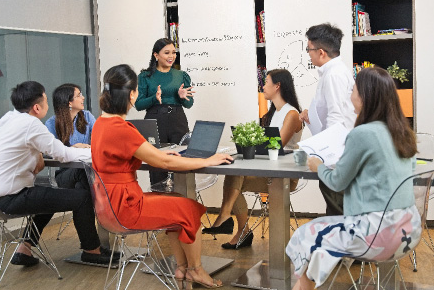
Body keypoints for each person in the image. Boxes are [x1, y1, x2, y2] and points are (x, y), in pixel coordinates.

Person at [92, 64, 233, 288]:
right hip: (127, 207)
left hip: (109, 206)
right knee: (189, 209)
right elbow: (164, 162)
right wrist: (207, 160)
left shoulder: (101, 124)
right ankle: (196, 270)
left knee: (176, 201)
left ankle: (181, 268)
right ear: (131, 94)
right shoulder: (121, 128)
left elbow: (144, 154)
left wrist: (160, 153)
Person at [286, 67, 420, 290]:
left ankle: (305, 285)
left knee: (303, 235)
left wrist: (318, 166)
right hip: (409, 230)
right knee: (323, 238)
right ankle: (307, 283)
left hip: (377, 235)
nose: (350, 95)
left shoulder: (362, 133)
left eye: (353, 89)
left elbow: (337, 181)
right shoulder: (402, 133)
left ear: (365, 96)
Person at [0, 81, 117, 266]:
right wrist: (98, 153)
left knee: (54, 195)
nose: (48, 104)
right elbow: (64, 154)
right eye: (45, 99)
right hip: (10, 198)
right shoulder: (32, 125)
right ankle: (92, 250)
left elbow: (38, 153)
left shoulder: (7, 119)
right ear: (37, 107)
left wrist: (37, 153)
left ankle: (25, 248)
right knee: (83, 196)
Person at [202, 69, 303, 249]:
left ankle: (229, 221)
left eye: (266, 83)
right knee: (233, 175)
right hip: (269, 170)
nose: (263, 87)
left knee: (235, 178)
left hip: (285, 175)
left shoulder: (292, 114)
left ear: (277, 86)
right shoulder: (274, 113)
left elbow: (275, 146)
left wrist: (252, 144)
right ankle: (240, 228)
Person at [299, 23, 357, 216]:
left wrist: (328, 159)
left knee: (337, 211)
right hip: (338, 154)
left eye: (309, 49)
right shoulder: (332, 72)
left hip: (337, 158)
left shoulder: (334, 75)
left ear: (321, 52)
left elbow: (337, 117)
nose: (308, 53)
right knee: (335, 210)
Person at [136, 38, 195, 185]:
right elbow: (138, 104)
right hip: (155, 121)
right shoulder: (145, 76)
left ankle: (181, 201)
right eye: (167, 53)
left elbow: (189, 104)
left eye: (173, 53)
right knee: (156, 164)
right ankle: (159, 200)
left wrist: (182, 97)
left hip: (178, 120)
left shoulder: (181, 75)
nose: (171, 56)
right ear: (156, 55)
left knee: (181, 162)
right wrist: (155, 99)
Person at [45, 83, 95, 190]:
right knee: (82, 174)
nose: (83, 97)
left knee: (81, 186)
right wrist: (72, 149)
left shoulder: (87, 116)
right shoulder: (52, 123)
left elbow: (100, 139)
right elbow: (48, 153)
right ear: (69, 103)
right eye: (79, 95)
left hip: (87, 170)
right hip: (64, 173)